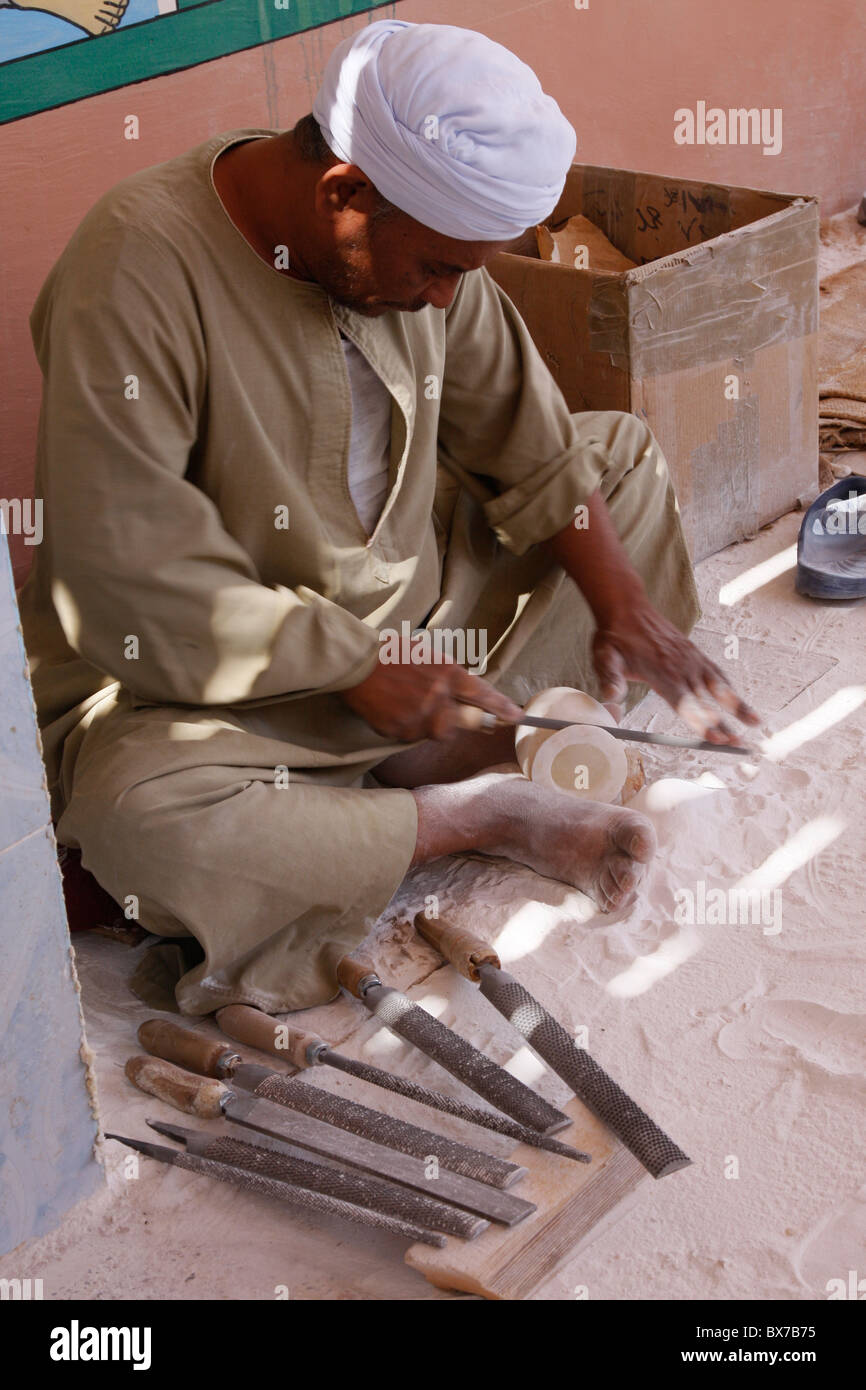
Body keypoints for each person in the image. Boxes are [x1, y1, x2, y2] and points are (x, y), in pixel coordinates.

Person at [18, 19, 758, 1015]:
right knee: (135, 813)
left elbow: (531, 442)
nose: (448, 297)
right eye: (439, 269)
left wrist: (621, 602)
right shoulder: (134, 269)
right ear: (344, 195)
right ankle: (464, 806)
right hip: (219, 677)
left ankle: (394, 770)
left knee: (615, 466)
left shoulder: (422, 248)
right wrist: (352, 664)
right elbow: (124, 576)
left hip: (411, 614)